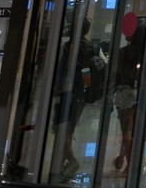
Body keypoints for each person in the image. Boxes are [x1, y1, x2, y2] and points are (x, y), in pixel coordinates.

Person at [55, 19, 98, 182]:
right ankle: (61, 168)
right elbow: (89, 72)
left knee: (62, 130)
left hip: (67, 92)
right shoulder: (92, 48)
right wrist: (86, 88)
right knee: (68, 130)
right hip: (80, 94)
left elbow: (61, 69)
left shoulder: (68, 46)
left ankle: (72, 161)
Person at [110, 18, 146, 172]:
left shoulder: (123, 53)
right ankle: (123, 159)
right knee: (132, 131)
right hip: (141, 95)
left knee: (126, 130)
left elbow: (115, 75)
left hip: (124, 94)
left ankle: (130, 164)